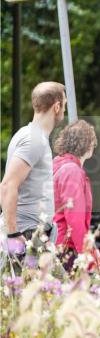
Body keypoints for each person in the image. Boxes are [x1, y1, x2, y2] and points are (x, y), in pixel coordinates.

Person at [1, 82, 66, 255]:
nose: (64, 111)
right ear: (57, 106)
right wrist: (13, 233)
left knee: (55, 281)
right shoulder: (33, 140)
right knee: (54, 282)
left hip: (34, 234)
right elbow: (7, 185)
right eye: (64, 105)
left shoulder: (30, 135)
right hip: (26, 235)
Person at [52, 120, 97, 270]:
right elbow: (75, 217)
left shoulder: (57, 165)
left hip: (54, 243)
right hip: (67, 248)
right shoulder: (72, 171)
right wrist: (85, 255)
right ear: (87, 145)